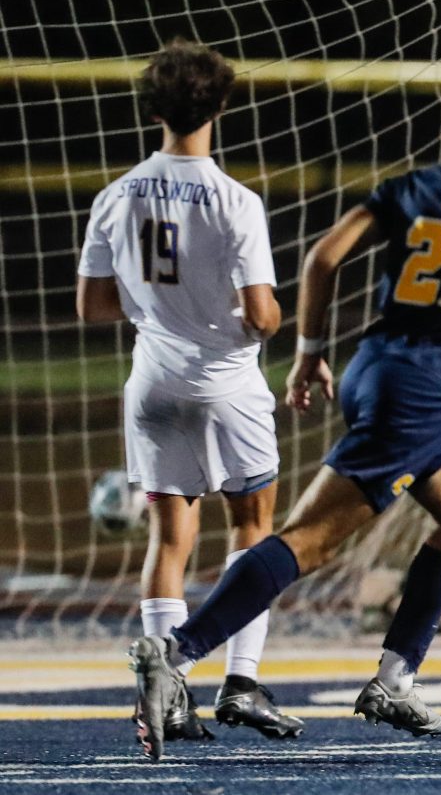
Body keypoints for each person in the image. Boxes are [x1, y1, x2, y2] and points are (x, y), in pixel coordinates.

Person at [127, 41, 441, 760]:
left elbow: (324, 256)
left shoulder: (420, 182)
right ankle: (177, 652)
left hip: (379, 368)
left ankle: (395, 678)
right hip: (420, 393)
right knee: (310, 540)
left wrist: (311, 349)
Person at [78, 39, 305, 752]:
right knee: (253, 529)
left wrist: (157, 310)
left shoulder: (116, 195)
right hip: (228, 386)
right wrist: (259, 316)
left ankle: (167, 694)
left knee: (169, 538)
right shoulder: (237, 201)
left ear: (153, 109)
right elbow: (262, 315)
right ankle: (241, 680)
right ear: (221, 106)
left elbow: (92, 305)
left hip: (153, 386)